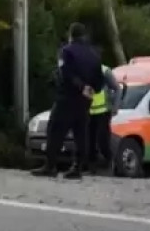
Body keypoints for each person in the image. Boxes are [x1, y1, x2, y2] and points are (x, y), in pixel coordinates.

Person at [32, 22, 104, 180]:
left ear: (71, 35)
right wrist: (92, 89)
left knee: (55, 130)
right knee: (80, 134)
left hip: (67, 97)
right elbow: (100, 78)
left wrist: (80, 87)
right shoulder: (94, 54)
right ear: (83, 36)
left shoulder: (66, 51)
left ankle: (50, 166)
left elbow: (65, 73)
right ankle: (77, 168)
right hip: (85, 100)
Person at [82, 61, 120, 173]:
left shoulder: (104, 71)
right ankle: (92, 167)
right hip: (89, 111)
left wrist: (115, 107)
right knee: (89, 141)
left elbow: (117, 88)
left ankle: (110, 162)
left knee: (102, 139)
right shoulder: (82, 70)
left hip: (103, 111)